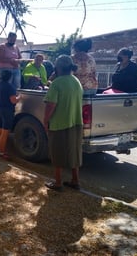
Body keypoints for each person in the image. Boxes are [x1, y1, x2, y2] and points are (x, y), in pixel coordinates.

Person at [43, 55, 83, 191]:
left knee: (57, 153)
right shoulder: (76, 81)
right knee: (74, 152)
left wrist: (45, 121)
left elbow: (51, 105)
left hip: (59, 124)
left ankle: (58, 183)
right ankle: (75, 180)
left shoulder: (57, 83)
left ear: (58, 68)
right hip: (76, 123)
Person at [0, 70, 20, 159]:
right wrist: (19, 97)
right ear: (10, 77)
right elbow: (13, 100)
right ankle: (2, 153)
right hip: (7, 110)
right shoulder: (10, 87)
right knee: (5, 133)